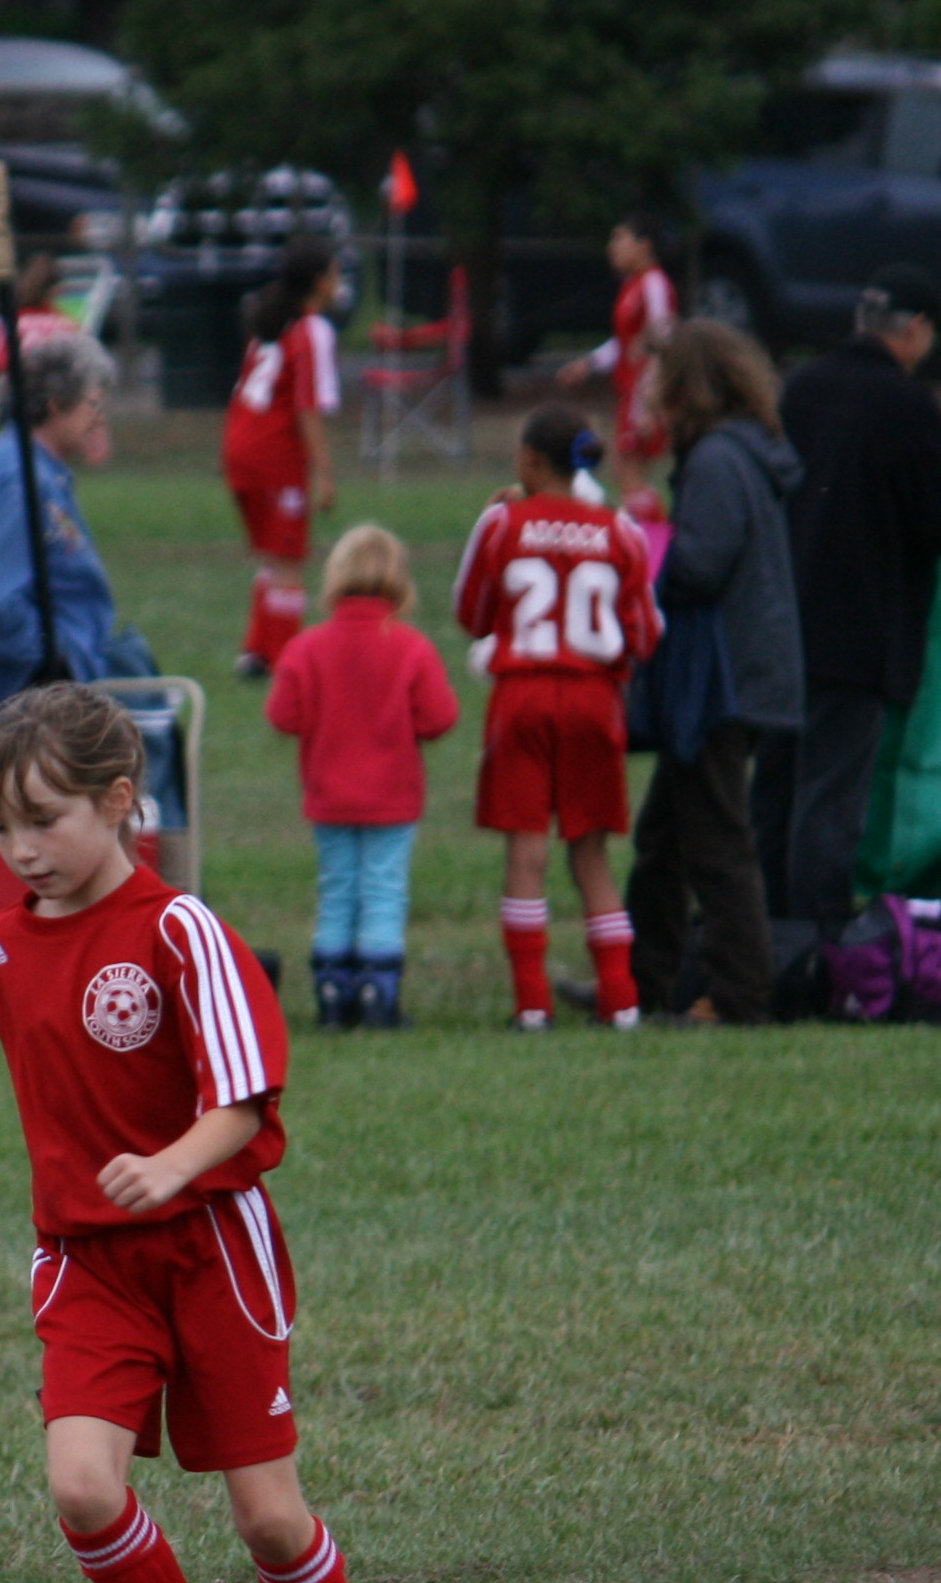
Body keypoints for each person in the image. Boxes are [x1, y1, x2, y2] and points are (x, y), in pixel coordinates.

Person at [0, 682, 415, 1583]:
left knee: (270, 1519)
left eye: (45, 820)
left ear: (121, 801)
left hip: (211, 1248)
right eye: (2, 828)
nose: (22, 850)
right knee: (83, 1489)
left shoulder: (179, 929)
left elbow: (247, 1101)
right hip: (87, 1262)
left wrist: (171, 1163)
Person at [767, 263, 941, 927]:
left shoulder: (800, 387)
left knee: (772, 792)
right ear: (915, 330)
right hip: (859, 633)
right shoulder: (909, 406)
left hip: (779, 625)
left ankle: (756, 938)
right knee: (829, 801)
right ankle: (815, 942)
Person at [451, 402, 658, 1031]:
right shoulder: (620, 529)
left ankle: (532, 1006)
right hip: (595, 700)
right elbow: (645, 633)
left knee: (527, 850)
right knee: (591, 852)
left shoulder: (502, 522)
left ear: (530, 460)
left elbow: (471, 614)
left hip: (524, 697)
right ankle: (621, 1001)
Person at [631, 322, 801, 1025]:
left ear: (687, 384)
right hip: (738, 676)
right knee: (665, 839)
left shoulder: (717, 461)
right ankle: (640, 987)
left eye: (657, 376)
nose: (646, 390)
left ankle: (739, 996)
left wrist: (640, 554)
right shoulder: (738, 452)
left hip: (723, 684)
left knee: (717, 843)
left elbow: (700, 565)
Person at [265, 524, 460, 1032]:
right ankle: (378, 996)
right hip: (393, 797)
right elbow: (439, 718)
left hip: (329, 796)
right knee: (383, 891)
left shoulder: (307, 647)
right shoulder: (411, 647)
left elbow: (282, 715)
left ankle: (333, 996)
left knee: (337, 891)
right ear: (399, 582)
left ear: (335, 577)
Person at [0, 332, 136, 789]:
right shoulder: (18, 479)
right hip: (12, 708)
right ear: (57, 405)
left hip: (18, 704)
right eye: (93, 404)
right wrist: (48, 659)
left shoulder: (30, 468)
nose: (99, 417)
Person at [222, 235, 343, 681]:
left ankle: (257, 652)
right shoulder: (312, 330)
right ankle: (287, 662)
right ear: (319, 281)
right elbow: (307, 408)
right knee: (289, 558)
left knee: (272, 556)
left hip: (238, 445)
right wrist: (325, 473)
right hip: (273, 452)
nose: (339, 282)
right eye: (335, 274)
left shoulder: (270, 323)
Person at [557, 216, 679, 492]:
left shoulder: (654, 283)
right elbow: (624, 343)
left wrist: (650, 403)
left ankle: (651, 522)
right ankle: (647, 519)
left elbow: (664, 342)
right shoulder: (632, 285)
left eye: (620, 238)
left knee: (630, 474)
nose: (612, 246)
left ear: (644, 246)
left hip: (642, 393)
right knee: (624, 474)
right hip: (628, 391)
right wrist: (589, 364)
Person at [0, 257, 77, 424]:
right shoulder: (67, 325)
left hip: (21, 403)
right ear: (57, 291)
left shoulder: (13, 324)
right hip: (60, 406)